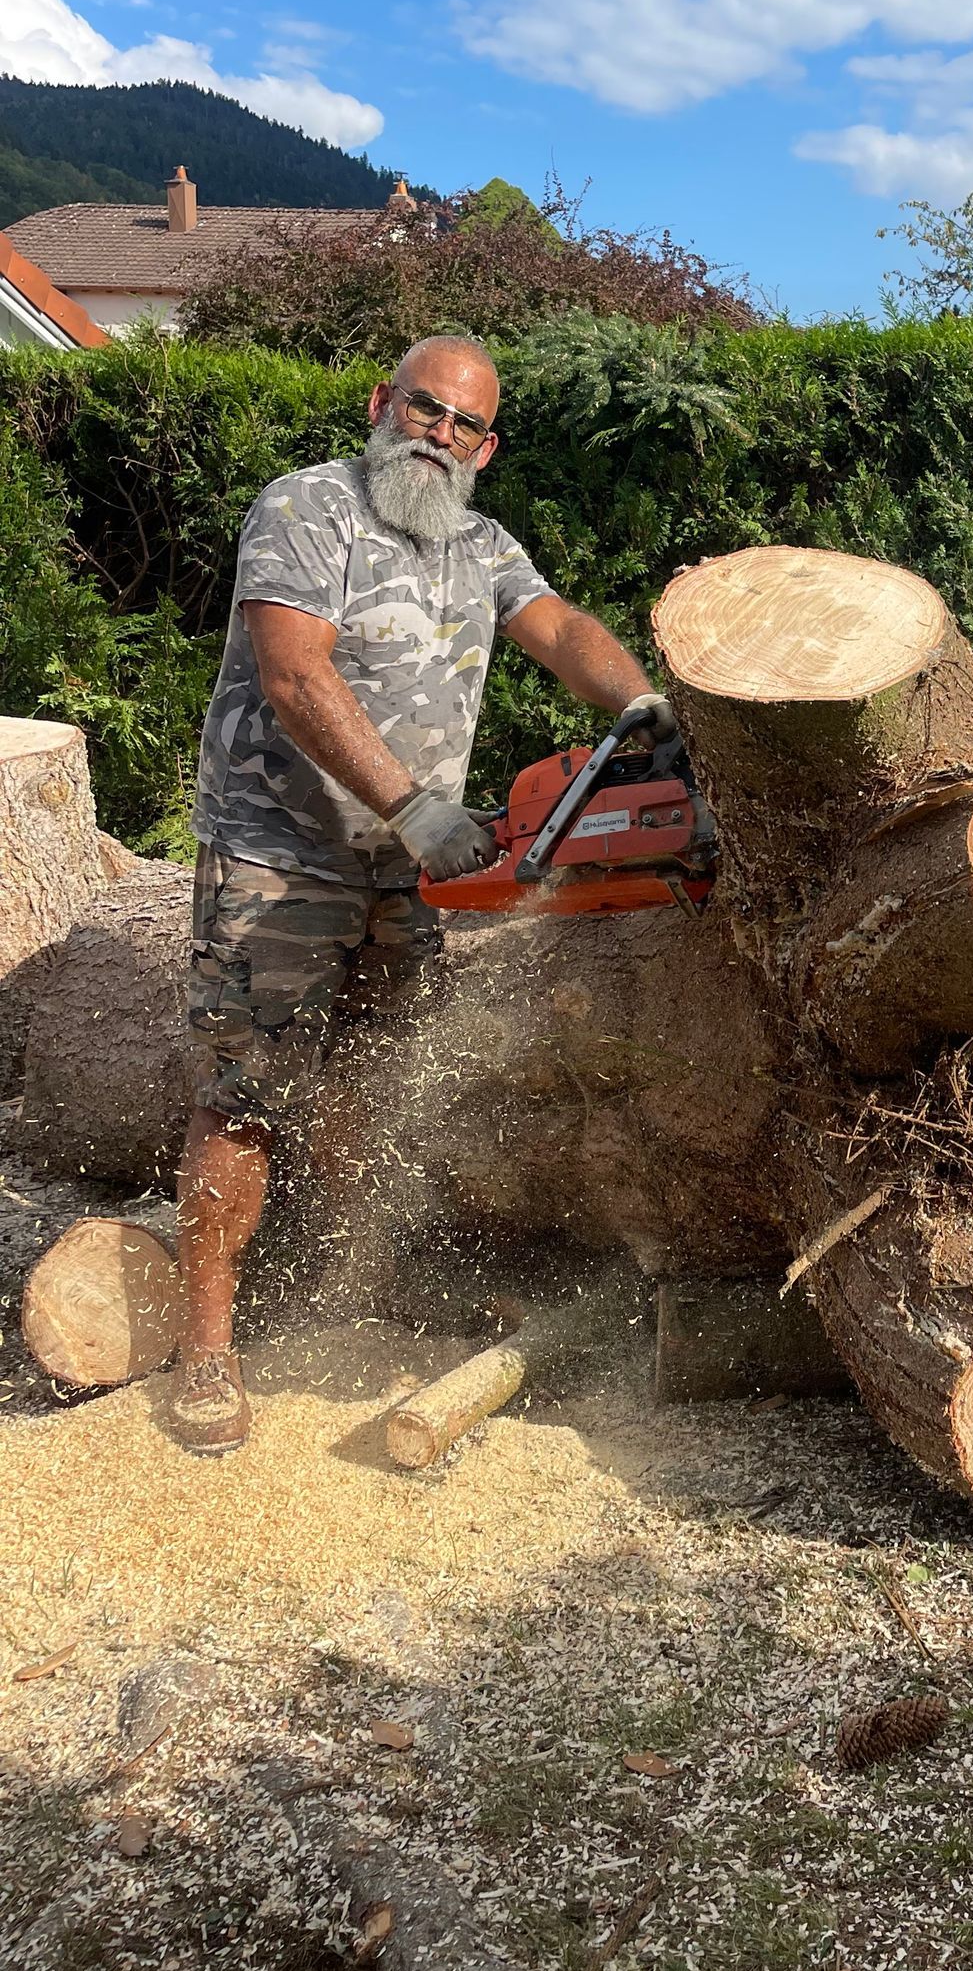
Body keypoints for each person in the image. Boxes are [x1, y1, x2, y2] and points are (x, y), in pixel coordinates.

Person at [172, 333, 663, 1455]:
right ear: (381, 402)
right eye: (426, 410)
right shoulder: (308, 511)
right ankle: (207, 1341)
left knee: (387, 1075)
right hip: (280, 856)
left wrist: (644, 713)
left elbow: (562, 629)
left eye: (466, 425)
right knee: (241, 1091)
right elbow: (297, 673)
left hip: (408, 869)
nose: (442, 435)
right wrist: (412, 804)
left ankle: (368, 1283)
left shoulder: (482, 544)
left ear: (488, 447)